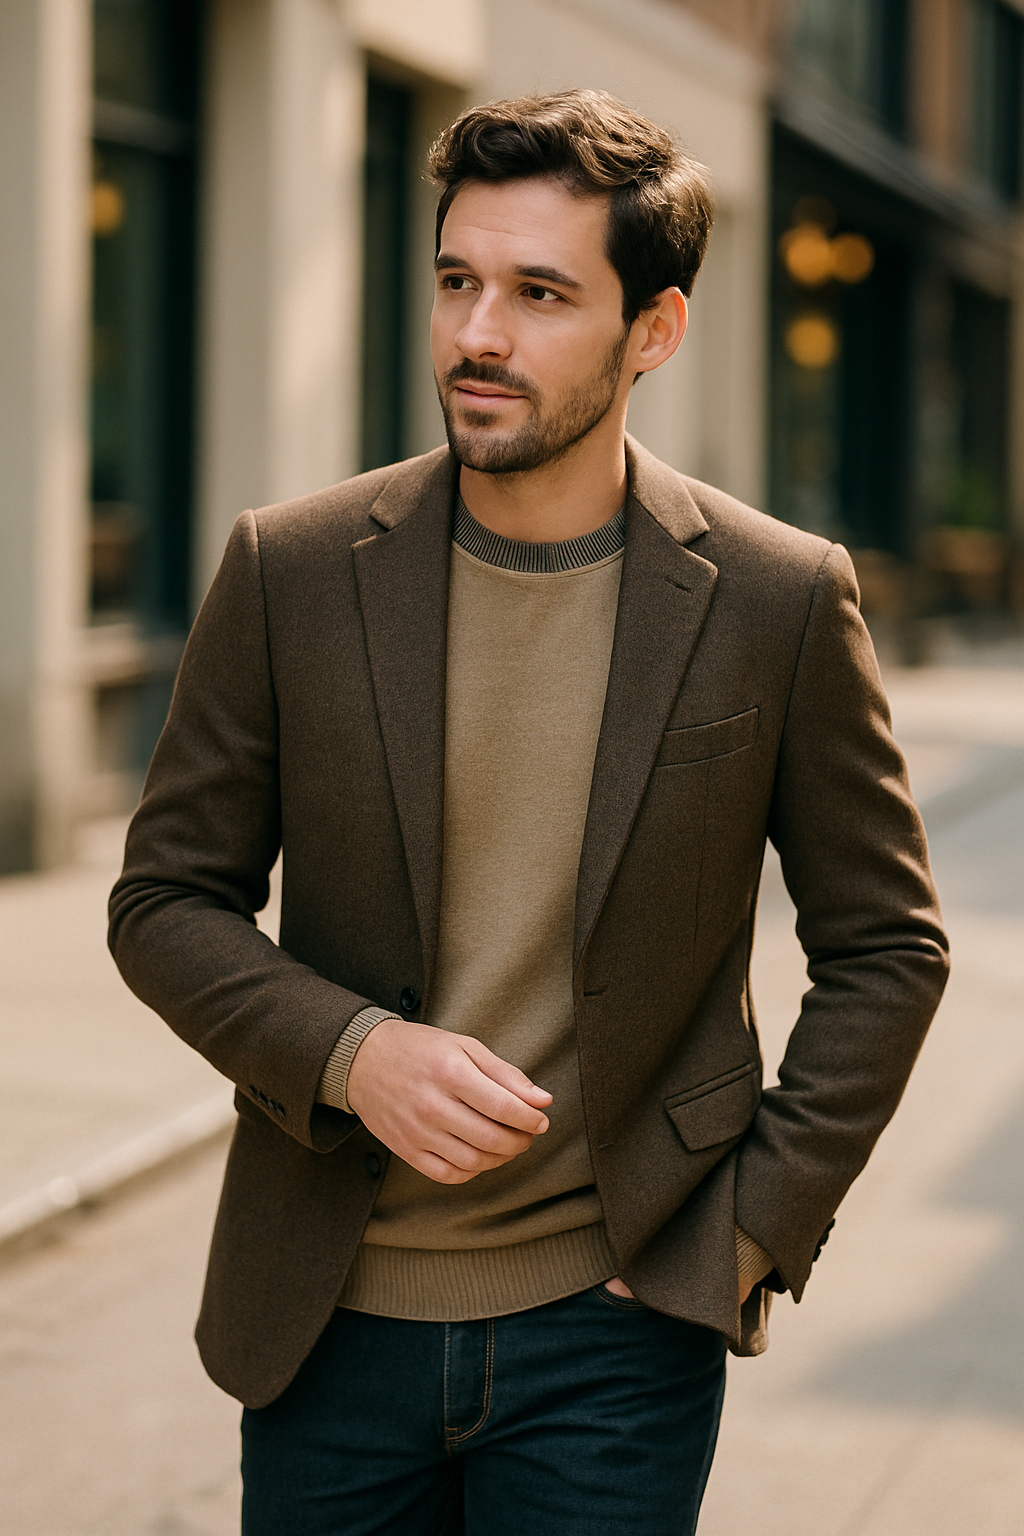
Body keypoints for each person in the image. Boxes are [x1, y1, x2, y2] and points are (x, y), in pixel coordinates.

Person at [109, 89, 949, 1536]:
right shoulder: (290, 570)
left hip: (614, 1340)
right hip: (326, 1324)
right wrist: (351, 1053)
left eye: (539, 294)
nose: (476, 336)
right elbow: (163, 902)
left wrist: (746, 1232)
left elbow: (887, 948)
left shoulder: (777, 598)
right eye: (457, 282)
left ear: (655, 332)